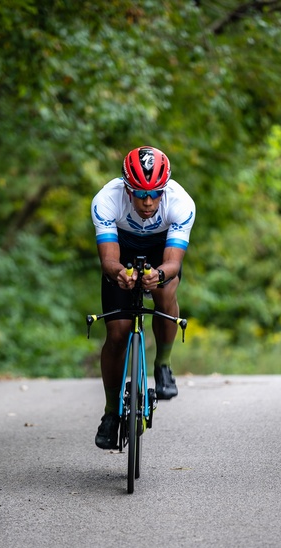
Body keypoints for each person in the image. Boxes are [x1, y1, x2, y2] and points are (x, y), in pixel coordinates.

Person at [90, 146, 196, 450]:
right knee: (118, 331)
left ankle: (163, 364)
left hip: (161, 253)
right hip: (121, 252)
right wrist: (120, 273)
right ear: (126, 188)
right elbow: (108, 261)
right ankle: (111, 413)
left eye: (156, 194)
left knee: (165, 292)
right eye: (139, 194)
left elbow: (173, 263)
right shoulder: (106, 201)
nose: (148, 202)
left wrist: (159, 275)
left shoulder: (181, 203)